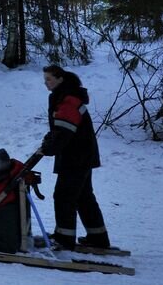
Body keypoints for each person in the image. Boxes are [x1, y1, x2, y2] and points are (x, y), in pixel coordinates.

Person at [40, 64, 111, 249]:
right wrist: (49, 140)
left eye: (49, 79)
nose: (46, 84)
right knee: (83, 196)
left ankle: (64, 238)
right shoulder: (65, 96)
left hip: (76, 157)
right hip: (81, 155)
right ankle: (98, 237)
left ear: (60, 79)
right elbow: (59, 128)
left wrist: (49, 148)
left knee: (64, 196)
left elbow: (64, 131)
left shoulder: (68, 99)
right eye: (45, 80)